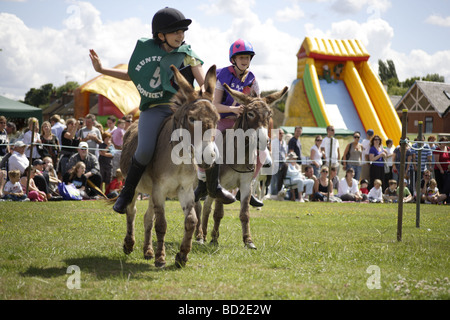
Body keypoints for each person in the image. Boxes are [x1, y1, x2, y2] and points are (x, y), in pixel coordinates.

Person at [89, 7, 235, 213]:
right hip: (155, 109)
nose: (180, 35)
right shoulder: (147, 51)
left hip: (185, 110)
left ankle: (214, 186)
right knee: (145, 148)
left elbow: (203, 82)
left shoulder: (188, 54)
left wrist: (202, 94)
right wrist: (102, 70)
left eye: (182, 32)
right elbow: (131, 75)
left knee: (211, 146)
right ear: (160, 35)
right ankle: (127, 192)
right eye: (175, 32)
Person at [198, 38, 265, 206]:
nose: (245, 61)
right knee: (208, 149)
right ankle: (202, 183)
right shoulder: (223, 75)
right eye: (241, 58)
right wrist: (234, 110)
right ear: (233, 59)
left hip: (243, 125)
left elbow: (259, 104)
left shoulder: (253, 80)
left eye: (247, 58)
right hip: (223, 121)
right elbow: (215, 105)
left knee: (262, 154)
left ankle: (246, 189)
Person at [270, 128, 288, 196]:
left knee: (281, 178)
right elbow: (271, 153)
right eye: (280, 133)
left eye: (282, 133)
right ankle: (273, 193)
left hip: (283, 162)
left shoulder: (284, 142)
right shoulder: (274, 142)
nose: (281, 135)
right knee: (274, 178)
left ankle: (279, 192)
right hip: (276, 162)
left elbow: (285, 152)